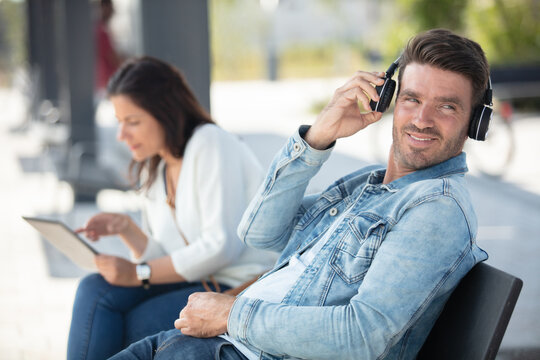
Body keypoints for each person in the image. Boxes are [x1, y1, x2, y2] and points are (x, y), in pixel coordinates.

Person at [110, 28, 490, 360]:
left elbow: (364, 334)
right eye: (412, 99)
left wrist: (232, 314)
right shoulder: (370, 186)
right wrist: (317, 138)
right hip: (220, 342)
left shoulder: (434, 208)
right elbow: (260, 233)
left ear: (474, 121)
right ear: (388, 98)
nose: (422, 119)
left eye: (446, 107)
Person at [66, 56, 277, 360]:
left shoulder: (209, 142)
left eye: (133, 122)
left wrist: (138, 273)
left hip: (236, 285)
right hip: (196, 281)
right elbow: (164, 259)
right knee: (93, 289)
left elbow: (220, 247)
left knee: (129, 323)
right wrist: (126, 229)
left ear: (165, 112)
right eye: (119, 121)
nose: (121, 135)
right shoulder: (156, 167)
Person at [95, 0, 123, 97]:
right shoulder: (101, 32)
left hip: (105, 82)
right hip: (108, 83)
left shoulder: (99, 29)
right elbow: (113, 58)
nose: (113, 11)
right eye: (110, 8)